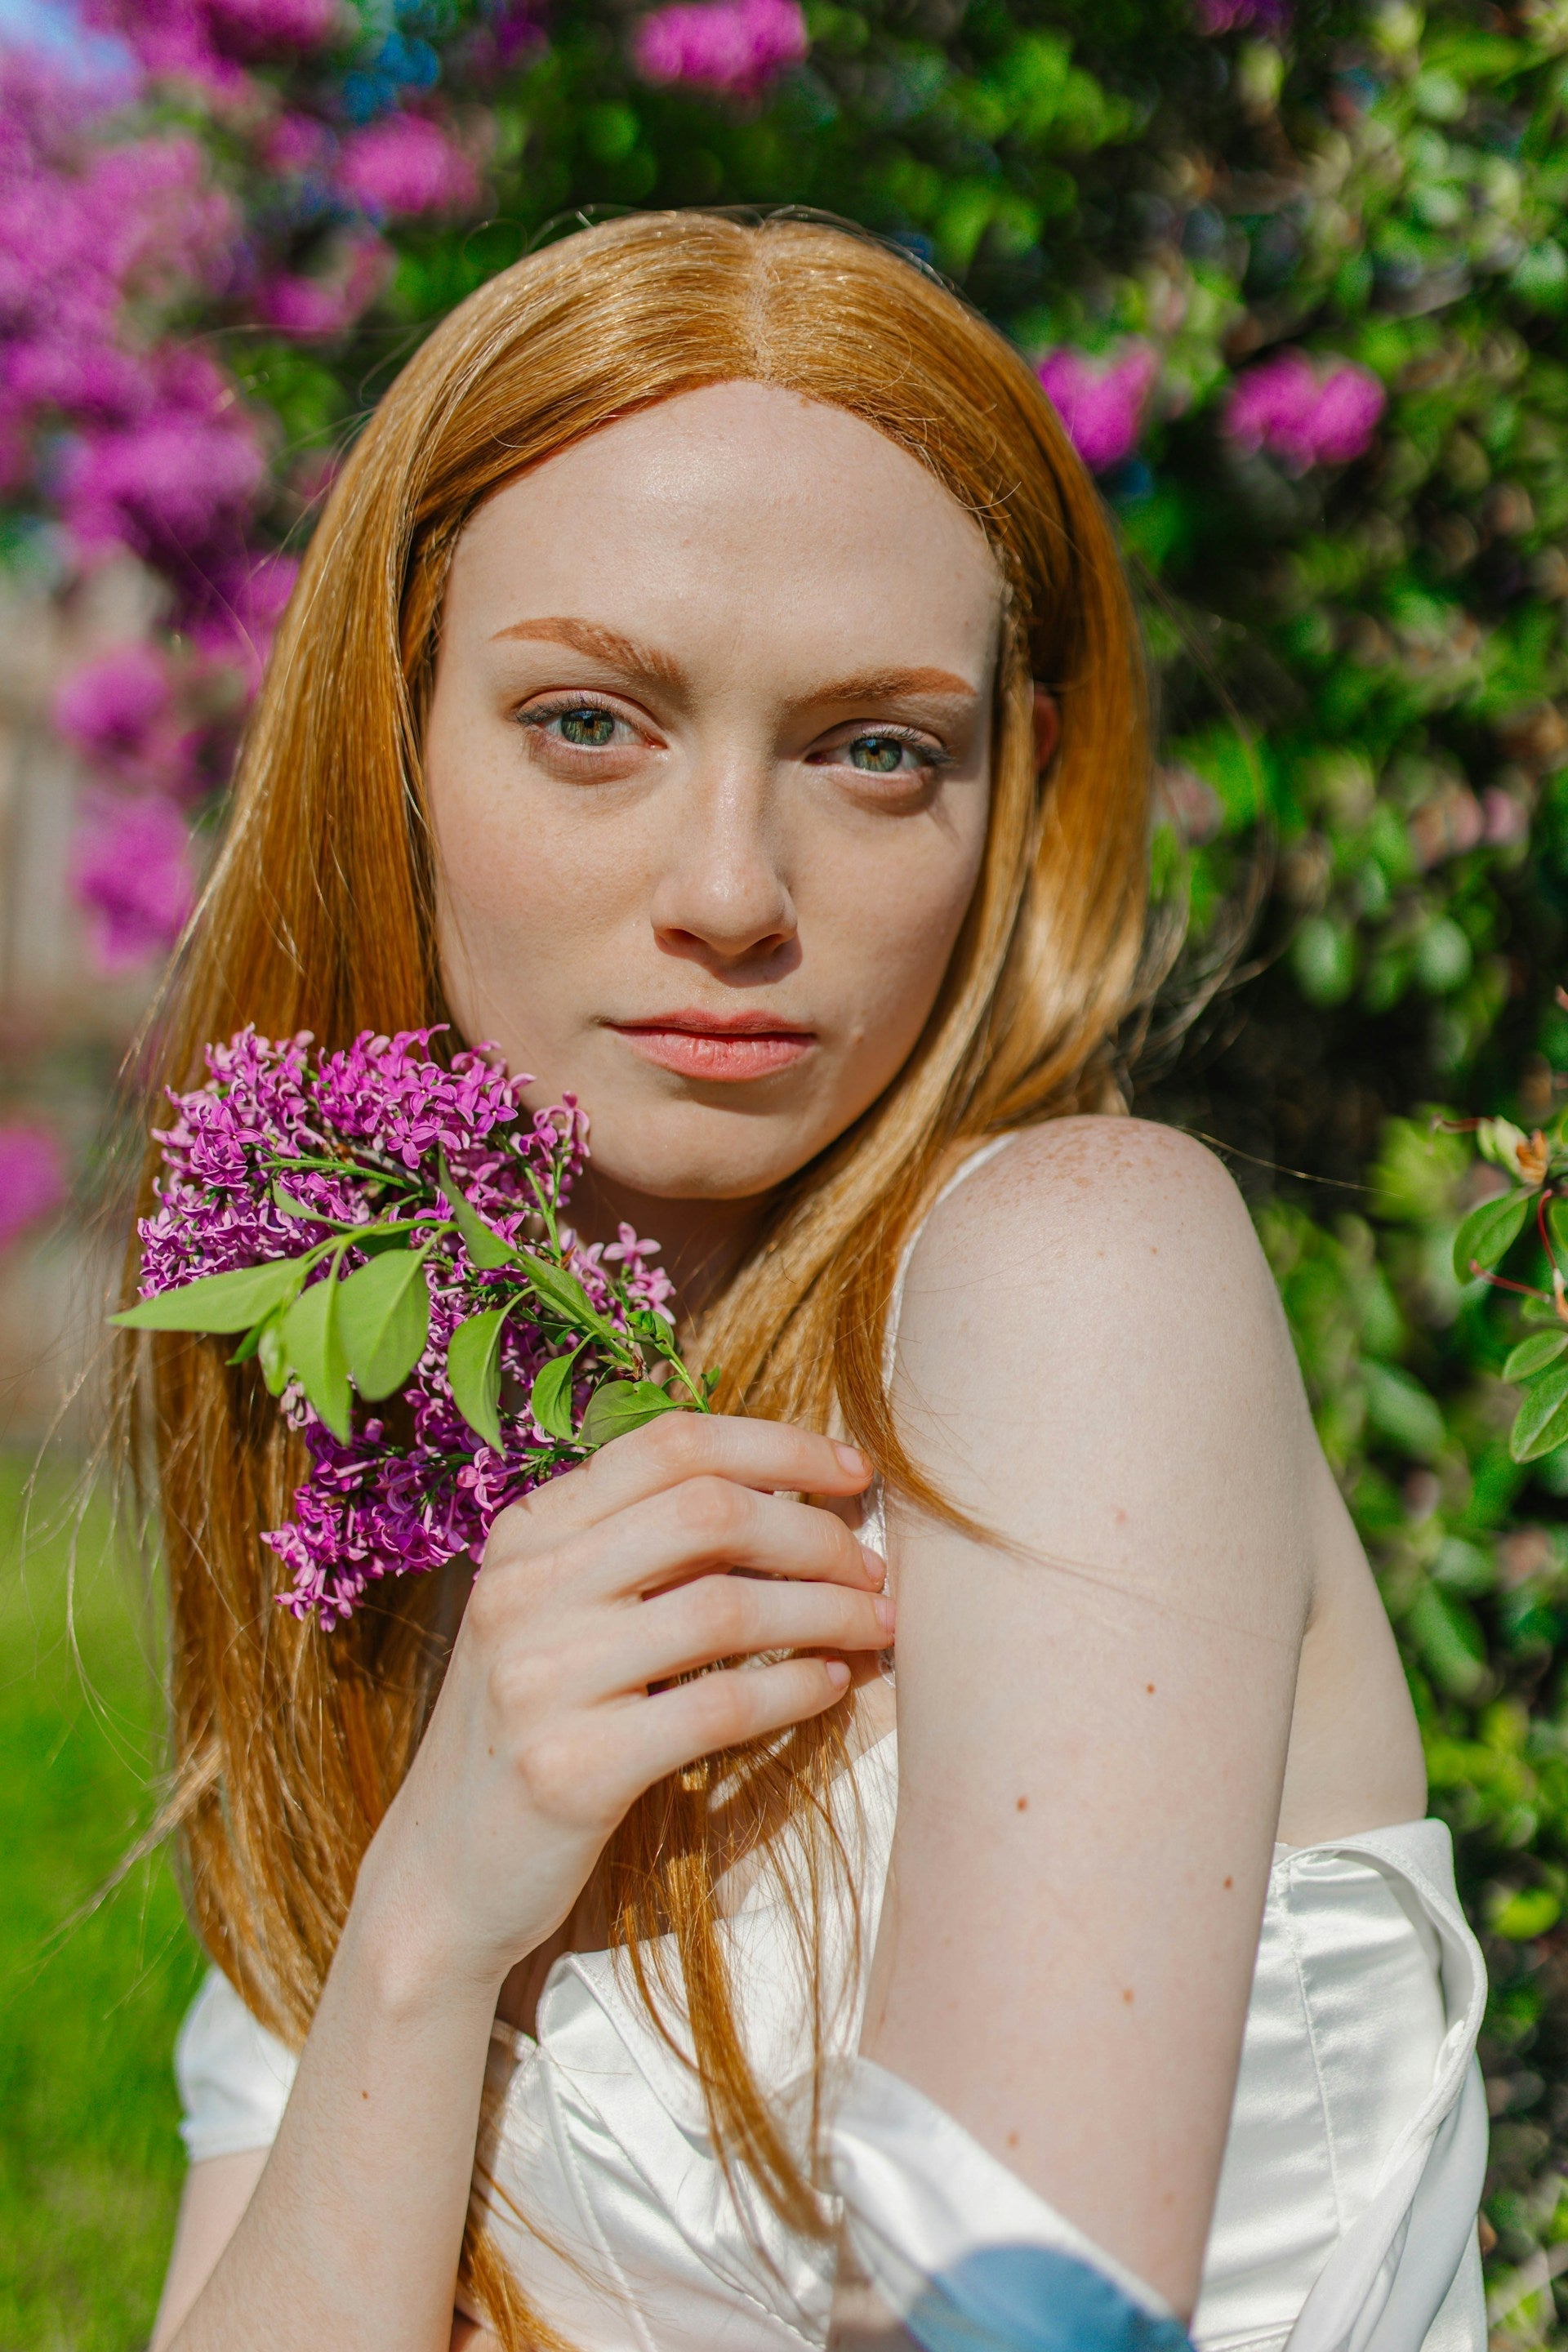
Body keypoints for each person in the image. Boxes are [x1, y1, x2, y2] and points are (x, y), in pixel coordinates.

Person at [136, 211, 1486, 2352]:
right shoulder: (391, 1524)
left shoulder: (1077, 1280)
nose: (734, 891)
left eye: (876, 751)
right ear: (390, 745)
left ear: (1010, 782)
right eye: (592, 723)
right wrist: (425, 1924)